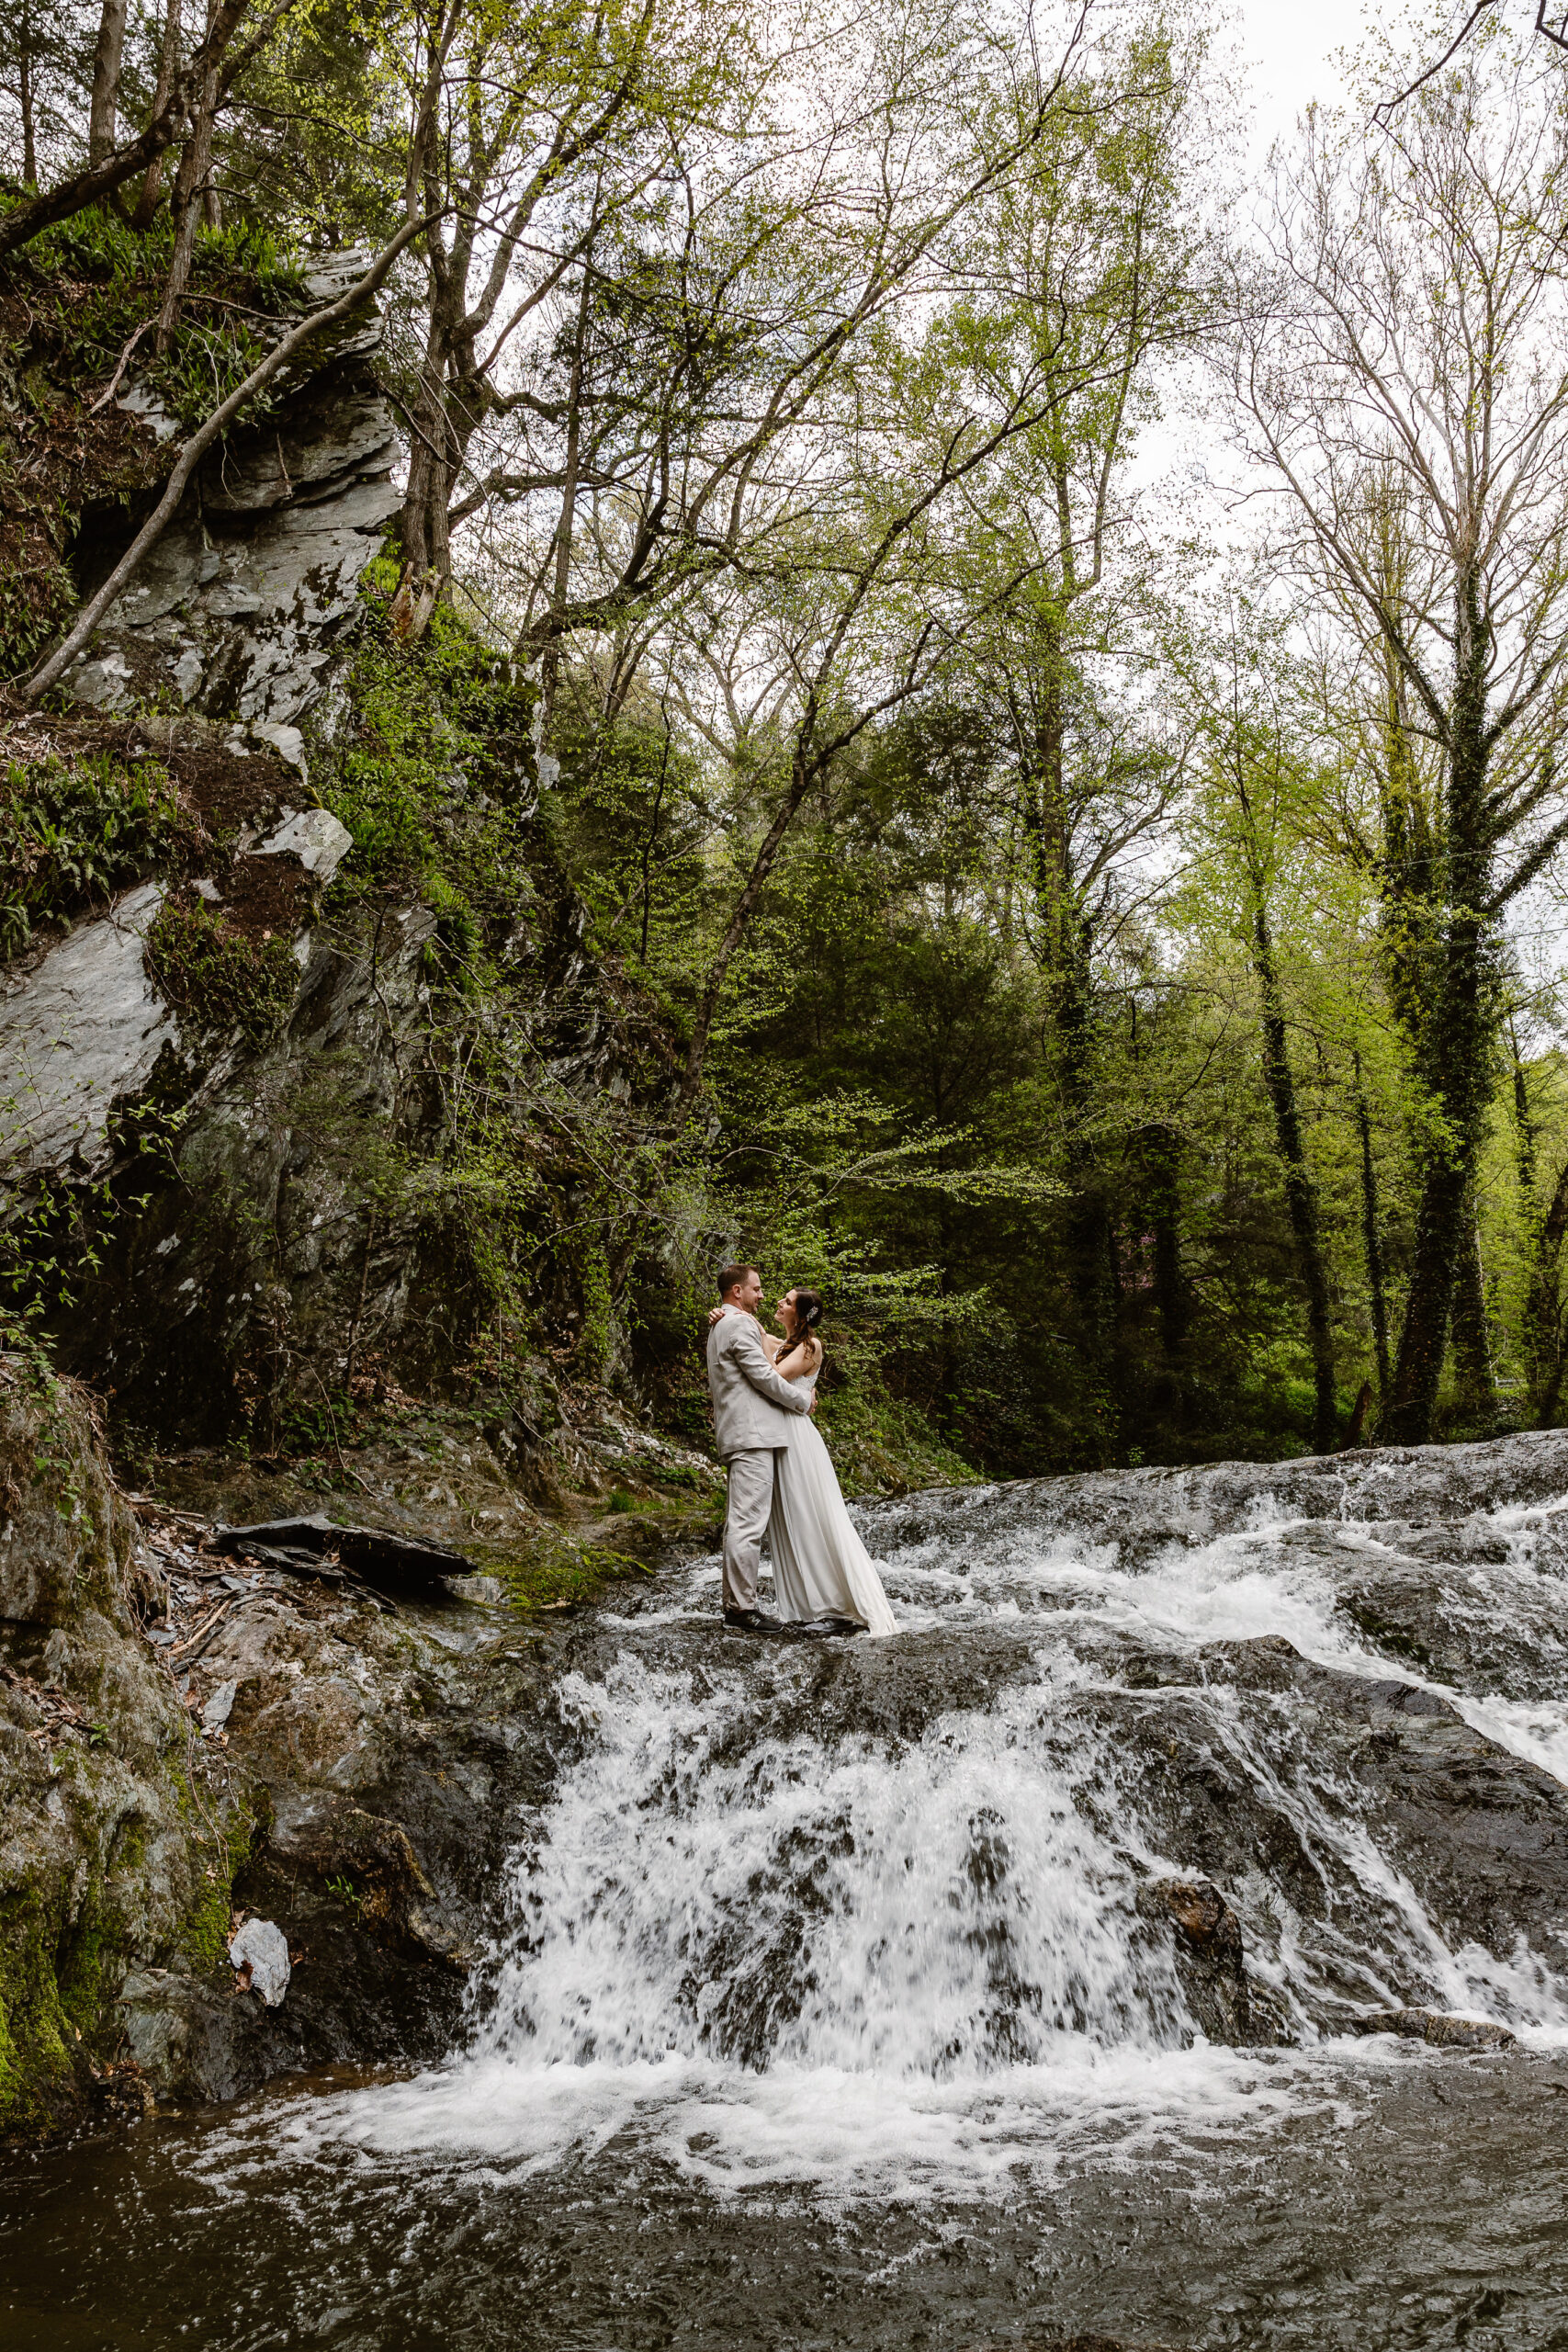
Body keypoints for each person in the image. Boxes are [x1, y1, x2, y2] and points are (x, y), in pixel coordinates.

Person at [707, 1282, 898, 1638]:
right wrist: (722, 1315)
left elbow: (772, 1377)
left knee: (813, 1515)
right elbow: (746, 1342)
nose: (777, 1301)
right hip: (776, 1434)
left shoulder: (812, 1345)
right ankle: (809, 1604)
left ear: (801, 1312)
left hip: (796, 1436)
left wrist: (801, 1396)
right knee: (790, 1518)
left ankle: (836, 1604)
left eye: (787, 1300)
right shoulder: (777, 1342)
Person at [705, 1262, 813, 1631]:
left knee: (744, 1521)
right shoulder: (735, 1324)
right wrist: (802, 1401)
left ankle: (738, 1604)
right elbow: (764, 1378)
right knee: (747, 1523)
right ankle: (740, 1609)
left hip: (747, 1434)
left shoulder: (727, 1323)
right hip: (751, 1435)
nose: (763, 1295)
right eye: (757, 1288)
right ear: (737, 1292)